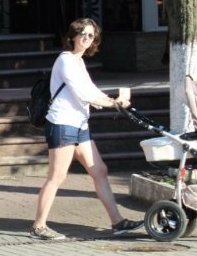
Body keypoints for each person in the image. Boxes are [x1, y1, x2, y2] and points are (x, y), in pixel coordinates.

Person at [30, 18, 143, 241]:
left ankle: (118, 222)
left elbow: (91, 90)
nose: (87, 38)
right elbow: (82, 93)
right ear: (72, 37)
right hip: (62, 123)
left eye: (91, 35)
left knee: (99, 170)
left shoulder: (79, 61)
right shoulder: (65, 60)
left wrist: (113, 101)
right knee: (57, 176)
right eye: (82, 34)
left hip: (79, 124)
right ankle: (38, 227)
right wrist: (112, 103)